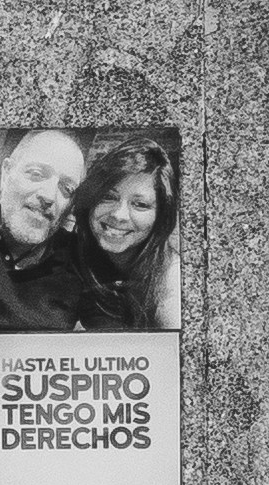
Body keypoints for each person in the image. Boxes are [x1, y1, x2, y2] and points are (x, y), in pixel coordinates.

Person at [63, 133, 183, 334]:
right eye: (109, 197)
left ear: (160, 216)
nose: (119, 215)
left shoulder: (170, 278)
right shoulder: (73, 253)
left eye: (140, 204)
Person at [0, 125, 95, 329]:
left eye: (67, 188)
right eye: (36, 173)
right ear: (6, 174)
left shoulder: (81, 259)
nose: (49, 196)